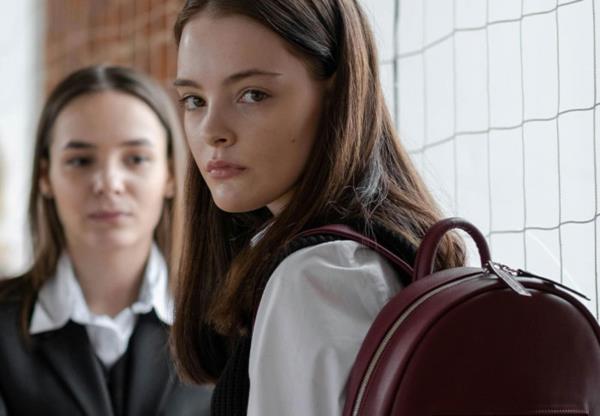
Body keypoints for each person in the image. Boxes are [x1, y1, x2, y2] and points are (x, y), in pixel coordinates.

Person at [171, 1, 465, 415]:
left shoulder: (319, 276)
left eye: (253, 94)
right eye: (194, 100)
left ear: (334, 94)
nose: (211, 130)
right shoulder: (376, 251)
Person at [0, 65, 212, 416]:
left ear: (170, 174)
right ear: (46, 177)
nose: (109, 183)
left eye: (136, 158)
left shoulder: (224, 321)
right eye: (81, 160)